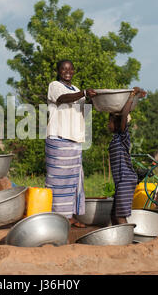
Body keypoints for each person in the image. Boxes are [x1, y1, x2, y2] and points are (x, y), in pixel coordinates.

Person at [45, 59, 97, 228]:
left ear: (74, 71)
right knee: (58, 181)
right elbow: (62, 98)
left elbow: (82, 108)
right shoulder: (55, 86)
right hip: (58, 138)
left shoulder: (75, 89)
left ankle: (70, 216)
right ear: (59, 71)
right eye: (63, 69)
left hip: (74, 139)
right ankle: (58, 217)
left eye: (70, 69)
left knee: (73, 180)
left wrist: (93, 98)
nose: (67, 71)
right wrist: (84, 93)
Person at [108, 87, 147, 225]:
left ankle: (127, 243)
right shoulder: (115, 139)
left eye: (110, 121)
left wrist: (132, 96)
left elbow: (124, 115)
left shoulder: (122, 136)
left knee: (120, 216)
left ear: (118, 123)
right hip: (121, 182)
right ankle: (116, 239)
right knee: (113, 214)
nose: (108, 124)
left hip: (125, 181)